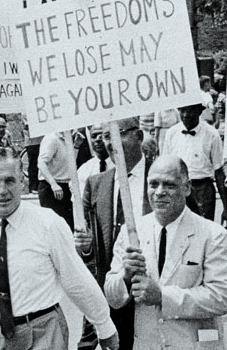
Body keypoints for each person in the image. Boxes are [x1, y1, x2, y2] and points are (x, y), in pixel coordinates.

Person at [0, 147, 119, 350]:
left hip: (44, 333)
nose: (3, 191)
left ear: (22, 181)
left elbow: (76, 279)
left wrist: (104, 326)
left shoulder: (47, 223)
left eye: (10, 180)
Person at [104, 155, 227, 350]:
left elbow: (221, 298)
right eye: (153, 184)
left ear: (187, 188)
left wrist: (163, 296)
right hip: (148, 344)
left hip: (194, 344)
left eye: (170, 185)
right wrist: (125, 276)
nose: (159, 192)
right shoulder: (132, 232)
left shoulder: (213, 234)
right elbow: (113, 298)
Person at [75, 117, 153, 349]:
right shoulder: (95, 184)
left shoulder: (161, 179)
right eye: (106, 136)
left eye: (118, 134)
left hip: (151, 292)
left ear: (138, 136)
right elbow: (90, 252)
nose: (110, 143)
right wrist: (85, 245)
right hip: (111, 293)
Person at [163, 103, 227, 227]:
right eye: (182, 110)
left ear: (199, 111)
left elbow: (219, 172)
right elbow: (166, 168)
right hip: (179, 189)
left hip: (203, 191)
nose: (185, 115)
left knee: (204, 230)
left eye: (190, 111)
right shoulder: (171, 133)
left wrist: (226, 208)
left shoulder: (212, 134)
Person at [37, 131, 75, 230]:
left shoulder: (68, 138)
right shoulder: (52, 139)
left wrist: (77, 147)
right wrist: (53, 184)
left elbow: (70, 162)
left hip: (66, 186)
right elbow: (41, 163)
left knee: (68, 226)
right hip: (52, 187)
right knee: (54, 226)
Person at [76, 124, 114, 198]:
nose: (97, 139)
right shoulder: (84, 170)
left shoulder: (122, 165)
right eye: (93, 136)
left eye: (102, 135)